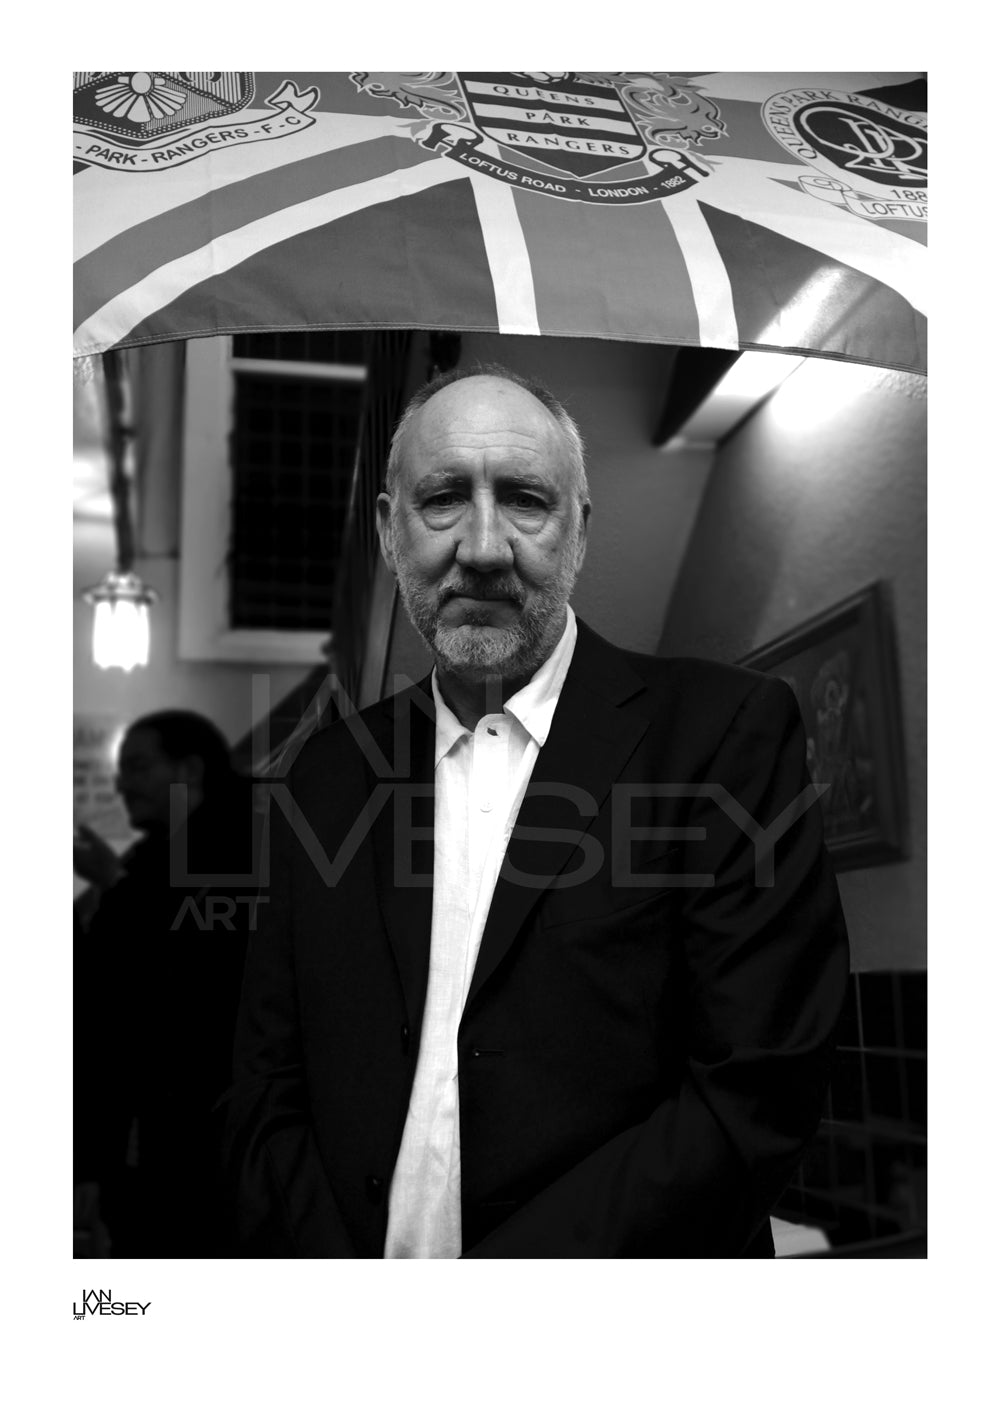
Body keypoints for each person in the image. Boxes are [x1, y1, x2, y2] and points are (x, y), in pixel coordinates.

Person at [222, 365, 849, 1257]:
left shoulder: (722, 737)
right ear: (386, 531)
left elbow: (757, 1093)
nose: (483, 545)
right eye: (442, 499)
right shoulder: (324, 774)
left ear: (579, 532)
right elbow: (264, 1085)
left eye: (524, 499)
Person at [75, 710, 257, 1257]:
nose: (123, 785)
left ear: (190, 767)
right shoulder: (158, 858)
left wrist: (116, 887)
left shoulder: (240, 852)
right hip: (159, 1131)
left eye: (138, 766)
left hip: (202, 1138)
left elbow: (178, 988)